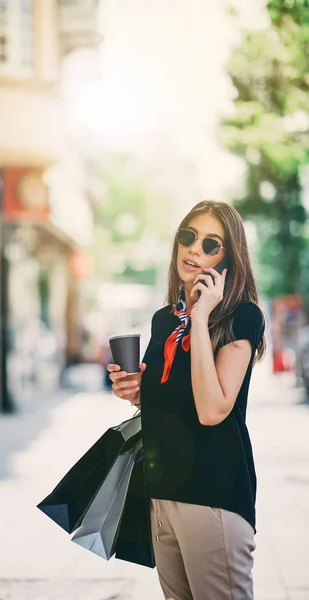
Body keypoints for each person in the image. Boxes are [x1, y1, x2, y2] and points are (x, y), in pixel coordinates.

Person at [107, 200, 266, 600]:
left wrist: (200, 317)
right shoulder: (165, 319)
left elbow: (212, 410)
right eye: (188, 237)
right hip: (163, 493)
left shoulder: (241, 317)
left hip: (212, 494)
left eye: (211, 244)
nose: (194, 249)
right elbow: (171, 402)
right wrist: (135, 392)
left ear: (229, 257)